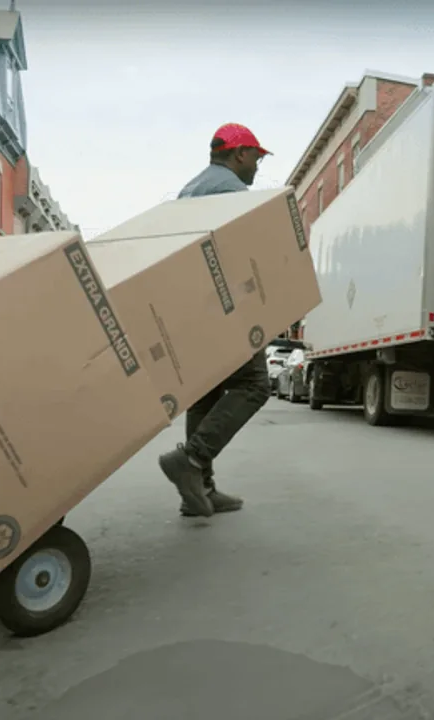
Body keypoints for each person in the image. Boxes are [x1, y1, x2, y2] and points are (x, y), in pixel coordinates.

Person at [158, 123, 274, 518]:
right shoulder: (231, 191)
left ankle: (200, 491)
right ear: (239, 154)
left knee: (206, 394)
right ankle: (191, 461)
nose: (257, 166)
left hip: (190, 308)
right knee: (255, 385)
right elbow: (243, 256)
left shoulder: (191, 188)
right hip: (222, 308)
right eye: (256, 157)